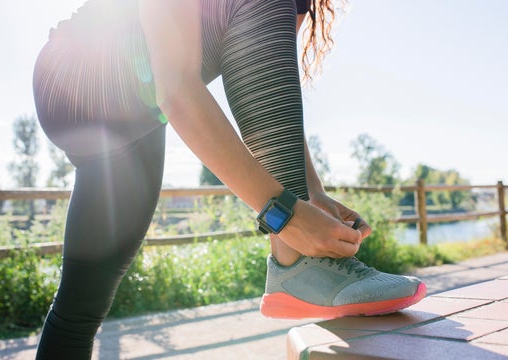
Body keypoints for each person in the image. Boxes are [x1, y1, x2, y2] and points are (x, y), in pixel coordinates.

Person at [32, 0, 427, 358]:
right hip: (79, 68)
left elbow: (270, 94)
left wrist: (312, 194)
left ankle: (299, 263)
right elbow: (177, 89)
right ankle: (298, 262)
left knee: (78, 312)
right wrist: (286, 216)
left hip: (131, 112)